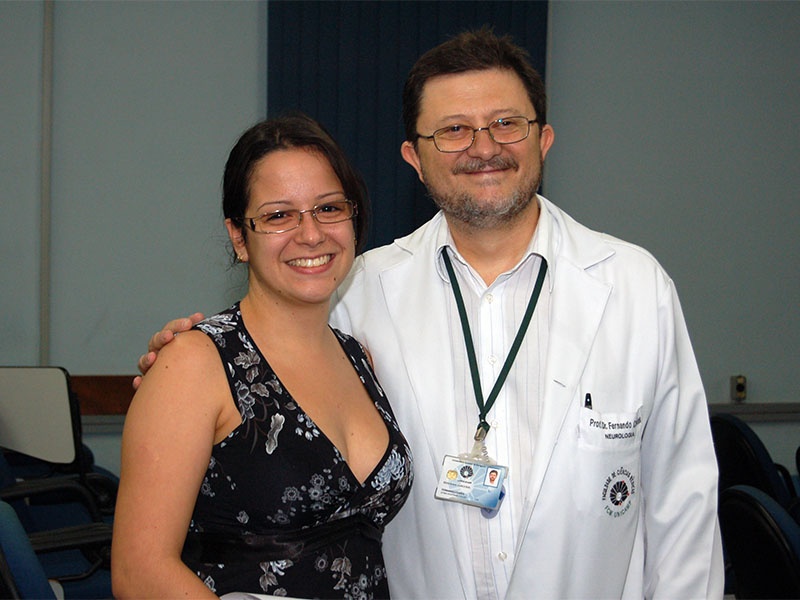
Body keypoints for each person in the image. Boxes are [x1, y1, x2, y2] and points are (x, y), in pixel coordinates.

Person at [138, 29, 723, 599]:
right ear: (413, 158)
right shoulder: (357, 292)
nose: (484, 146)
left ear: (543, 138)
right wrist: (187, 359)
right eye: (454, 130)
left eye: (505, 123)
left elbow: (684, 503)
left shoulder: (635, 286)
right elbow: (259, 360)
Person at [113, 114, 413, 599]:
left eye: (329, 208)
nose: (311, 234)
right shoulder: (194, 363)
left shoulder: (359, 358)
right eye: (278, 215)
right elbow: (139, 574)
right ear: (239, 237)